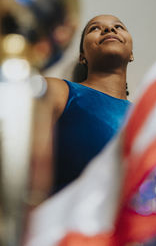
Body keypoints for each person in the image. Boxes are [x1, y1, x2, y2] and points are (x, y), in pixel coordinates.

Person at [31, 14, 134, 203]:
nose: (109, 30)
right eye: (95, 28)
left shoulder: (144, 115)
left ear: (131, 54)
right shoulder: (58, 91)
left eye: (118, 27)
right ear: (82, 57)